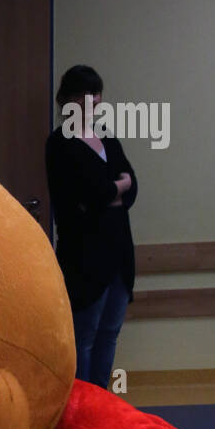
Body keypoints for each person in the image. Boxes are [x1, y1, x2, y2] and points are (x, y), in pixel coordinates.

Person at [45, 65, 138, 388]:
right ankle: (82, 409)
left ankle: (104, 408)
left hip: (119, 256)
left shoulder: (108, 140)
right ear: (68, 98)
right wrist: (115, 189)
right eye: (86, 93)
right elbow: (90, 194)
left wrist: (112, 192)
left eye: (97, 93)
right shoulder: (60, 144)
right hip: (84, 259)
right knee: (83, 337)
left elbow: (133, 186)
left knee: (109, 334)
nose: (94, 100)